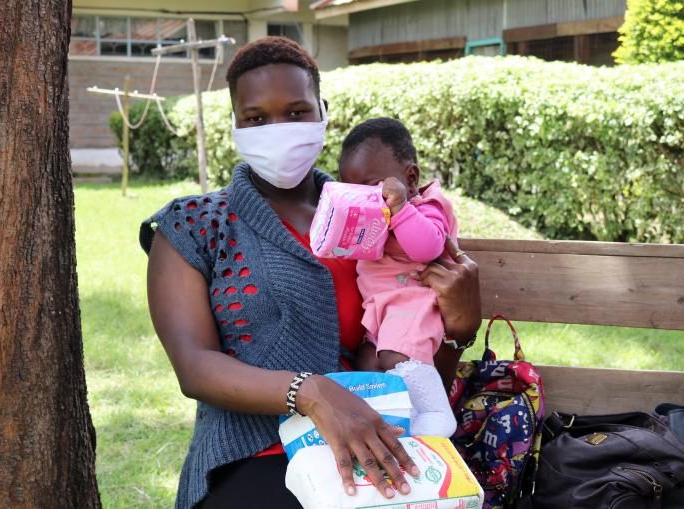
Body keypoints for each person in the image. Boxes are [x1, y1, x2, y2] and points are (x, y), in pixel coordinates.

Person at [140, 36, 481, 509]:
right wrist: (313, 393)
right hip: (254, 455)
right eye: (256, 118)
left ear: (322, 111)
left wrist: (460, 329)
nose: (277, 128)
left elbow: (408, 357)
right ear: (236, 125)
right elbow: (194, 367)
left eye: (297, 111)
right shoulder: (195, 225)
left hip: (381, 440)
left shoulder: (378, 219)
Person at [338, 117, 458, 438]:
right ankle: (401, 423)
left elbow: (429, 246)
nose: (365, 199)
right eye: (355, 191)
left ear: (411, 178)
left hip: (412, 304)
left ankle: (435, 414)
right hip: (381, 311)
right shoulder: (372, 217)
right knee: (368, 362)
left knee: (397, 357)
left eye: (374, 188)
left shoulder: (426, 207)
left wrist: (402, 209)